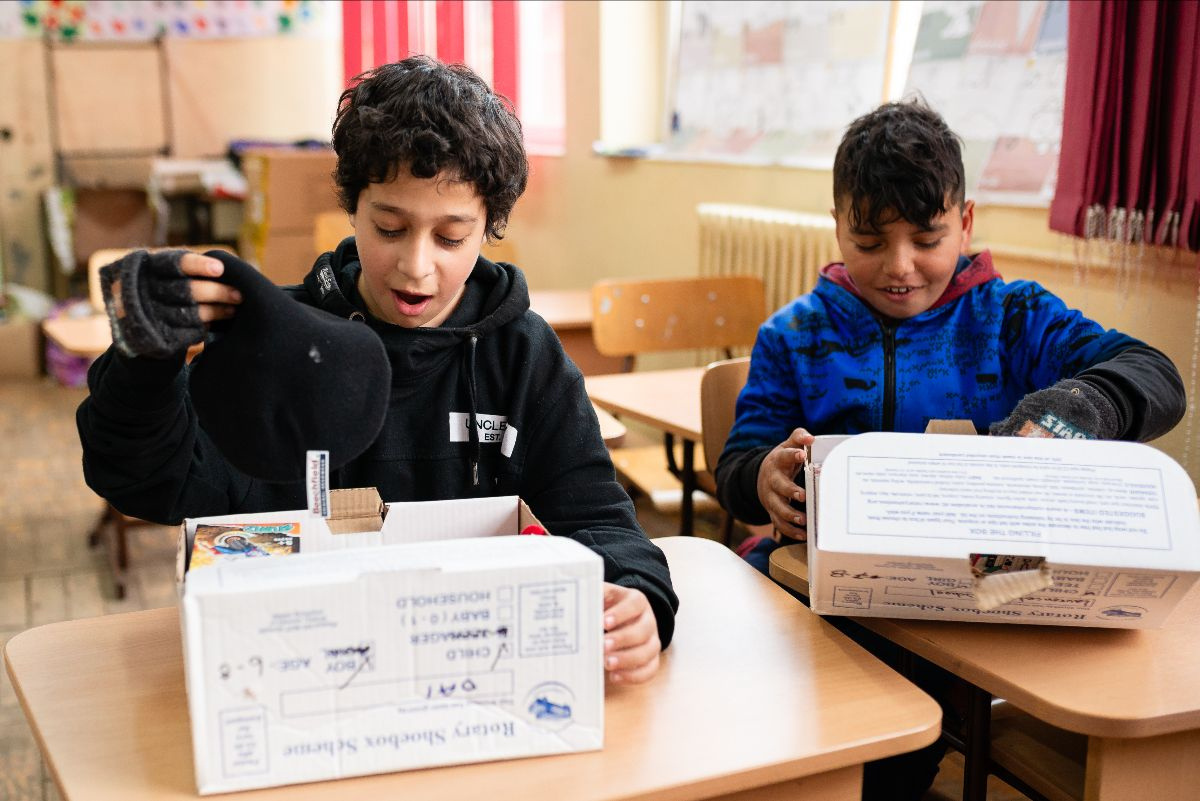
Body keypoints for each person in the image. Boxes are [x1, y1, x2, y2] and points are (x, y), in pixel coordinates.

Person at [77, 55, 677, 686]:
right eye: (389, 227)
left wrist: (637, 595)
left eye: (450, 238)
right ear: (353, 207)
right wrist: (143, 363)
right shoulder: (282, 345)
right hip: (302, 670)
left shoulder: (521, 356)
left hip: (471, 674)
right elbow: (148, 482)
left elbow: (597, 517)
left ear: (489, 227)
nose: (416, 266)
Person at [714, 98, 1186, 801]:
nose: (899, 267)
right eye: (870, 242)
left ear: (965, 222)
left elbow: (1156, 375)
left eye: (927, 238)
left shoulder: (1012, 316)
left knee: (1108, 675)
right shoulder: (795, 335)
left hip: (989, 580)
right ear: (837, 224)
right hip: (833, 584)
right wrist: (765, 477)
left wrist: (1072, 408)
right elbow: (738, 462)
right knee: (821, 719)